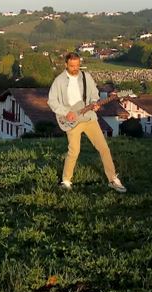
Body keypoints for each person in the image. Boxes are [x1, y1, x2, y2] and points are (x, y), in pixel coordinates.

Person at [47, 53, 126, 193]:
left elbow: (94, 95)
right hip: (71, 120)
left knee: (104, 148)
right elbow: (52, 101)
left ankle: (113, 179)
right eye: (72, 66)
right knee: (74, 151)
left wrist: (95, 104)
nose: (75, 68)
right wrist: (66, 112)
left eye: (77, 65)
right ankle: (66, 181)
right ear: (66, 65)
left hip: (89, 118)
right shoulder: (59, 81)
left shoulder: (86, 77)